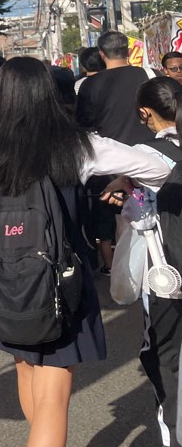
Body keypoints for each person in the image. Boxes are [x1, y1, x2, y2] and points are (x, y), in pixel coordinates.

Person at [0, 57, 172, 447]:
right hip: (63, 282)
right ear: (48, 94)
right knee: (55, 393)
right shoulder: (76, 145)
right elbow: (158, 168)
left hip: (2, 280)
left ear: (2, 96)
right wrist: (120, 182)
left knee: (28, 371)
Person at [103, 77, 182, 447]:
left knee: (164, 350)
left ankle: (174, 443)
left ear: (144, 113)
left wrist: (125, 184)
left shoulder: (142, 153)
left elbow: (136, 211)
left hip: (166, 268)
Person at [77, 30, 152, 275]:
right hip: (147, 159)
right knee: (146, 212)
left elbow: (83, 124)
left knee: (113, 219)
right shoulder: (146, 75)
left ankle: (120, 271)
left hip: (109, 165)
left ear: (101, 54)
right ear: (128, 51)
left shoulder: (90, 85)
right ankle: (151, 265)